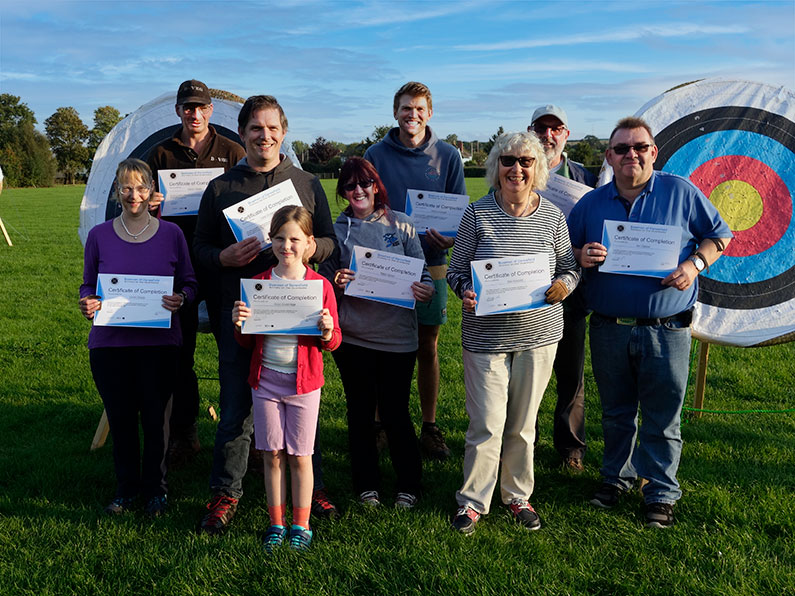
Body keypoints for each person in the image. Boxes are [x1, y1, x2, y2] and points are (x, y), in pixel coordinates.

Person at [567, 117, 732, 528]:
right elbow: (564, 249)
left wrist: (695, 265)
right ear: (609, 157)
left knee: (662, 414)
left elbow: (720, 235)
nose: (631, 155)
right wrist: (580, 256)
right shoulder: (591, 203)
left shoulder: (680, 192)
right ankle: (615, 479)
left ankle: (660, 492)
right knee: (616, 412)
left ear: (653, 152)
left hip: (667, 326)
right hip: (609, 326)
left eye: (639, 147)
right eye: (621, 149)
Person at [193, 95, 338, 534]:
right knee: (236, 406)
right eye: (256, 128)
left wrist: (311, 248)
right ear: (242, 134)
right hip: (241, 315)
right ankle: (226, 492)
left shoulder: (307, 183)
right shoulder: (221, 188)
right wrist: (225, 257)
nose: (265, 135)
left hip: (297, 318)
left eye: (273, 128)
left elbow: (330, 242)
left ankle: (306, 490)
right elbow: (198, 249)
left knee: (300, 405)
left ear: (284, 132)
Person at [447, 132, 580, 535]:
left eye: (525, 161)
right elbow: (455, 272)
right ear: (495, 166)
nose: (516, 169)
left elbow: (570, 268)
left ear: (537, 167)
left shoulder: (553, 217)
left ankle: (517, 494)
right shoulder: (477, 214)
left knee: (523, 424)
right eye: (508, 161)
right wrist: (464, 293)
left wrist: (566, 285)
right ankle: (472, 501)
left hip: (539, 337)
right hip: (486, 339)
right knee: (486, 423)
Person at [78, 158, 197, 517]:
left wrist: (182, 299)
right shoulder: (99, 235)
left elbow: (190, 282)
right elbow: (87, 283)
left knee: (156, 422)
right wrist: (87, 302)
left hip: (159, 345)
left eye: (141, 187)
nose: (134, 195)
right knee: (123, 419)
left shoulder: (172, 234)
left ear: (151, 191)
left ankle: (156, 491)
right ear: (117, 191)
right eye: (126, 188)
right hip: (110, 346)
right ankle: (126, 490)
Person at [318, 157, 433, 508]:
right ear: (343, 192)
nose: (358, 191)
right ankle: (366, 484)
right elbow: (323, 280)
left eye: (365, 183)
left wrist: (425, 290)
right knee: (360, 412)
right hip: (353, 338)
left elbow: (423, 275)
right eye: (350, 186)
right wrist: (335, 282)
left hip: (398, 338)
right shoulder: (337, 231)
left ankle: (409, 486)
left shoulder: (403, 225)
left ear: (376, 185)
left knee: (397, 412)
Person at [146, 79, 246, 466]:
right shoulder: (161, 153)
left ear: (211, 111)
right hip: (177, 265)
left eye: (201, 107)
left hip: (222, 263)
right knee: (179, 353)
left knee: (233, 352)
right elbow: (140, 201)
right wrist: (153, 203)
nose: (195, 114)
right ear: (178, 111)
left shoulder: (233, 150)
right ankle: (185, 433)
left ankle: (240, 434)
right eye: (188, 107)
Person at [364, 82, 466, 460]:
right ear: (395, 112)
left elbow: (460, 218)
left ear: (430, 113)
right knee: (380, 347)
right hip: (386, 262)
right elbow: (364, 204)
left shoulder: (449, 155)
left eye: (420, 108)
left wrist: (449, 239)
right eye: (406, 108)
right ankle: (379, 424)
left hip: (432, 265)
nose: (413, 115)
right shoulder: (375, 153)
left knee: (428, 346)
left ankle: (429, 425)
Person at [232, 205, 341, 552]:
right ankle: (276, 523)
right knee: (272, 455)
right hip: (265, 383)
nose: (287, 246)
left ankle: (301, 525)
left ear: (310, 243)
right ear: (271, 241)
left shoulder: (320, 285)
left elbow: (335, 340)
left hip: (304, 385)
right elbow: (246, 341)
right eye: (279, 238)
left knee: (300, 456)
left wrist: (326, 331)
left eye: (295, 239)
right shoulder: (260, 284)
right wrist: (239, 322)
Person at [529, 105, 597, 472]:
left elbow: (601, 228)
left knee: (570, 372)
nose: (548, 136)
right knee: (525, 372)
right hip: (523, 290)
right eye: (542, 128)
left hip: (570, 290)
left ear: (566, 134)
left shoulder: (585, 177)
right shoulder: (518, 168)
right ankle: (525, 440)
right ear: (531, 130)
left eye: (556, 129)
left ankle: (571, 447)